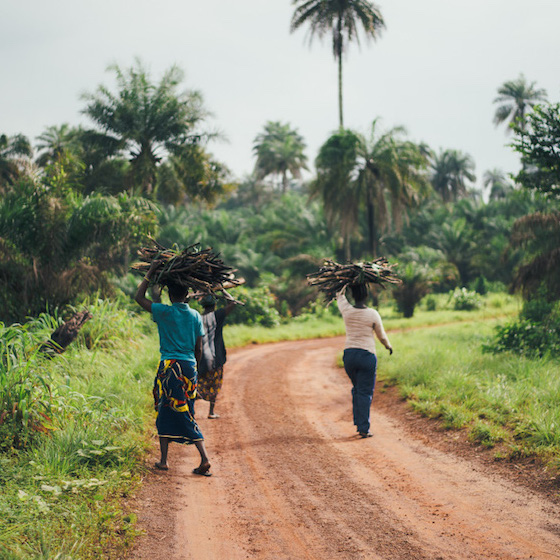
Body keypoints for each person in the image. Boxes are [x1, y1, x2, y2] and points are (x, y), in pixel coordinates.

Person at [135, 261, 212, 476]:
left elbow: (139, 298)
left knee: (172, 411)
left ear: (170, 295)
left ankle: (203, 458)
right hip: (189, 368)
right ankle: (163, 460)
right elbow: (198, 348)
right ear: (187, 294)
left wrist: (150, 273)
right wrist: (194, 370)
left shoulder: (164, 312)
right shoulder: (196, 316)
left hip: (170, 368)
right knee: (177, 410)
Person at [337, 283, 393, 438]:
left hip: (349, 356)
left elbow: (339, 296)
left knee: (357, 389)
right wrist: (388, 346)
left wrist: (344, 282)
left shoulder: (347, 310)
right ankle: (363, 427)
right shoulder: (373, 314)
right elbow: (381, 336)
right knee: (364, 392)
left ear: (353, 295)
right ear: (366, 296)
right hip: (366, 356)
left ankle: (358, 422)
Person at [197, 294, 236, 419]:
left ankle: (192, 411)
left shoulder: (197, 318)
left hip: (200, 357)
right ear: (214, 305)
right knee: (215, 383)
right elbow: (232, 303)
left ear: (203, 306)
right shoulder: (218, 315)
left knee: (198, 383)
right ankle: (211, 411)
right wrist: (223, 291)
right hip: (216, 357)